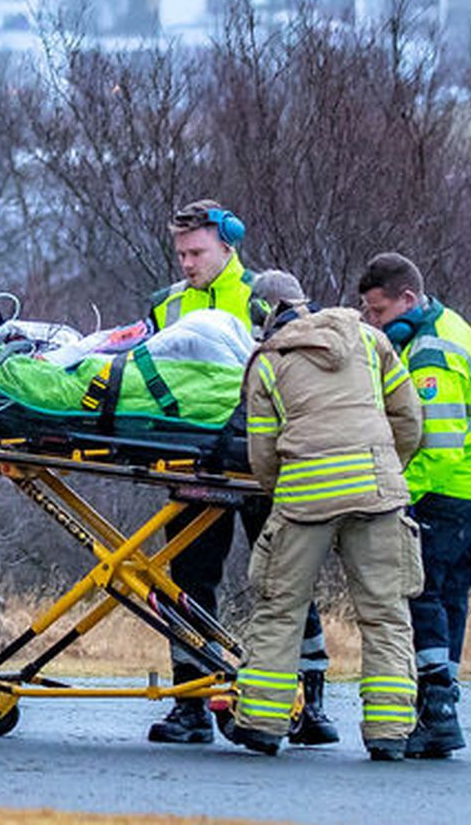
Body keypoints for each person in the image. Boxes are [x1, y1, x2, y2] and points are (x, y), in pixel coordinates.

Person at [145, 201, 337, 747]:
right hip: (191, 460)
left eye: (197, 252)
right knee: (189, 583)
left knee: (285, 579)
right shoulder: (166, 306)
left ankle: (309, 702)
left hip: (262, 463)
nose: (187, 262)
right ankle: (191, 703)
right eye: (180, 252)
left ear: (228, 246)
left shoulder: (267, 297)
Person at [222, 271, 423, 760]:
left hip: (305, 500)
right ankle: (390, 734)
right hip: (377, 495)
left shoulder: (267, 364)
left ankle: (264, 725)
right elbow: (409, 419)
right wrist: (381, 469)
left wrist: (284, 491)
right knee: (386, 614)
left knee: (280, 608)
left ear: (262, 316)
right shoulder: (369, 338)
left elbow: (263, 453)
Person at [359, 252, 471, 759]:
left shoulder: (430, 356)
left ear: (407, 299)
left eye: (378, 312)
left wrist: (393, 492)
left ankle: (438, 707)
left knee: (421, 588)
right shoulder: (446, 323)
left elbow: (441, 452)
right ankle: (445, 694)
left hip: (455, 486)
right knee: (451, 592)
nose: (373, 323)